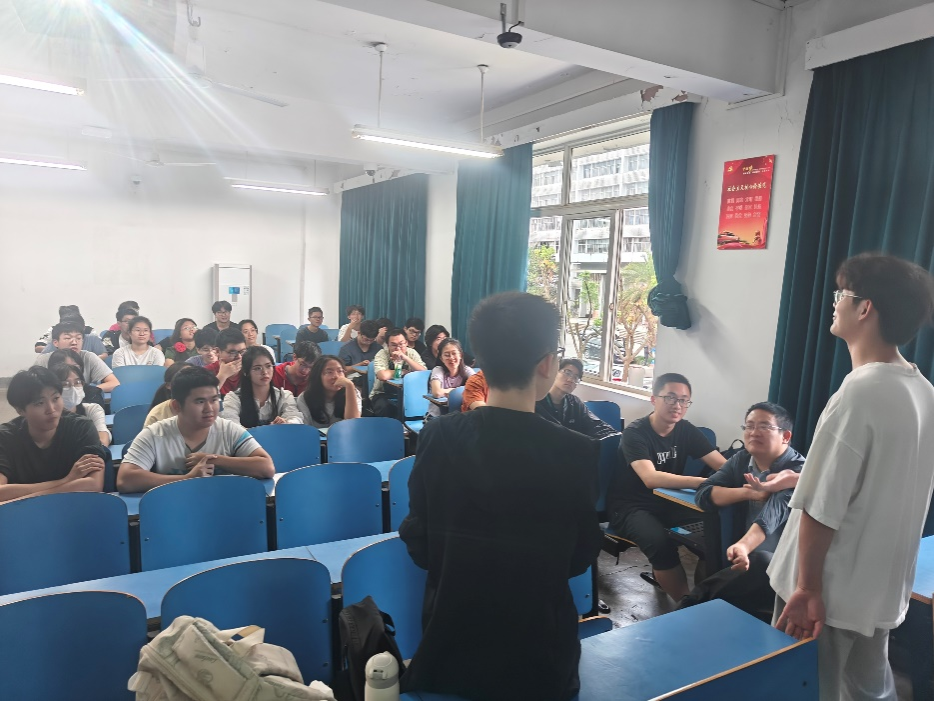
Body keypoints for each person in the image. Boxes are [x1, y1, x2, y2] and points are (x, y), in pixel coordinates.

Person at [400, 292, 602, 701]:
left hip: (450, 648)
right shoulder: (577, 451)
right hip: (541, 658)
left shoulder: (437, 436)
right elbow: (580, 555)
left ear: (481, 359)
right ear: (546, 364)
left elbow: (419, 542)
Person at [767, 254, 934, 700]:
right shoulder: (924, 392)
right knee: (868, 691)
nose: (834, 302)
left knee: (807, 690)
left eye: (841, 293)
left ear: (865, 308)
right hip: (878, 592)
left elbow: (821, 505)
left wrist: (807, 588)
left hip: (827, 592)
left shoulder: (860, 392)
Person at [604, 373, 726, 601]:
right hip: (630, 507)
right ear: (654, 399)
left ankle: (705, 601)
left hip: (669, 501)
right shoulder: (635, 432)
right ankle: (687, 606)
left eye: (683, 400)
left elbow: (722, 465)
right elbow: (650, 478)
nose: (677, 405)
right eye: (670, 398)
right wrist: (701, 482)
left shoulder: (685, 430)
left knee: (714, 536)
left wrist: (749, 479)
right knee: (661, 544)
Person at [678, 402, 804, 616]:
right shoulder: (742, 460)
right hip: (745, 561)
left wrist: (744, 546)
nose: (754, 432)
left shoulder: (796, 471)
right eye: (749, 426)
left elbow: (772, 515)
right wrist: (749, 493)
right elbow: (704, 494)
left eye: (764, 426)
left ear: (785, 436)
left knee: (761, 562)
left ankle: (688, 610)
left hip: (785, 569)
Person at [116, 367, 275, 493]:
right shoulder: (155, 434)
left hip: (222, 505)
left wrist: (213, 459)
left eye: (214, 400)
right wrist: (187, 478)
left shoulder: (229, 429)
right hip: (174, 508)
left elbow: (266, 467)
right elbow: (125, 480)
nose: (209, 409)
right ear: (177, 406)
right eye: (200, 402)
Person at [0, 367, 108, 503]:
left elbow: (93, 485)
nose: (51, 409)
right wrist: (67, 480)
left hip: (74, 508)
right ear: (20, 410)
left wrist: (16, 500)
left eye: (56, 398)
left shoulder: (82, 427)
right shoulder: (5, 437)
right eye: (40, 403)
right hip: (23, 514)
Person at [535, 358, 618, 439]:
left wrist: (616, 436)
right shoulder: (537, 401)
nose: (571, 379)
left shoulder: (575, 402)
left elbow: (595, 425)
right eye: (567, 373)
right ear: (555, 372)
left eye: (576, 377)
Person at [221, 347, 303, 427]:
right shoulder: (234, 398)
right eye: (257, 368)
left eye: (268, 366)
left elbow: (295, 417)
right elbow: (231, 426)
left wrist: (286, 423)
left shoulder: (284, 396)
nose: (265, 372)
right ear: (246, 372)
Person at [33, 320, 120, 392]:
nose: (74, 342)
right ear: (56, 343)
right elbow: (33, 388)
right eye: (67, 338)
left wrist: (81, 391)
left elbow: (114, 383)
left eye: (78, 338)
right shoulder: (43, 360)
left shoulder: (88, 357)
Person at [51, 363, 111, 447]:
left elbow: (103, 441)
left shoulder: (93, 409)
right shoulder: (49, 415)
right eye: (65, 384)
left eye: (77, 382)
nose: (73, 388)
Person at [370, 328, 426, 418]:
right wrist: (402, 371)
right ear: (387, 345)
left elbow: (423, 372)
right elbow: (382, 376)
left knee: (418, 408)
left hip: (407, 392)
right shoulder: (382, 354)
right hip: (382, 393)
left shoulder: (411, 353)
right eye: (394, 345)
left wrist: (405, 358)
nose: (398, 348)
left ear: (406, 343)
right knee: (386, 408)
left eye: (401, 344)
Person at [297, 355, 363, 428]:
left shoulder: (352, 392)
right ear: (318, 376)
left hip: (344, 435)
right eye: (329, 372)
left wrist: (350, 386)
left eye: (340, 371)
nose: (336, 376)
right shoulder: (305, 398)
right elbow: (305, 429)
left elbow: (352, 424)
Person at [426, 338, 474, 419]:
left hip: (461, 416)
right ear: (441, 358)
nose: (451, 358)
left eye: (454, 353)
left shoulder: (467, 370)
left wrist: (450, 392)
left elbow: (478, 388)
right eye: (447, 355)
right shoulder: (438, 370)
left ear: (460, 355)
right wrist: (457, 391)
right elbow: (437, 392)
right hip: (437, 418)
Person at [145, 363, 196, 427]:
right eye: (184, 378)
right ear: (169, 385)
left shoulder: (205, 407)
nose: (191, 382)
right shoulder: (156, 416)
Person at [203, 328, 247, 395]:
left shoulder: (250, 368)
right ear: (217, 351)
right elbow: (205, 396)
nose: (239, 357)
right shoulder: (206, 372)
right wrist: (222, 376)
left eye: (242, 352)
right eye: (232, 352)